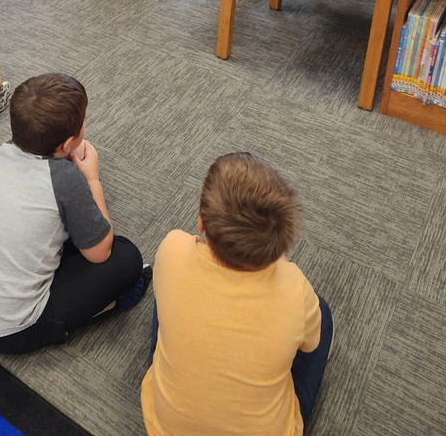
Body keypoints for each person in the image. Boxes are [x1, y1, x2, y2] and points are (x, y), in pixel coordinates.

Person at [0, 73, 149, 353]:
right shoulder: (65, 179)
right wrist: (92, 180)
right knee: (127, 256)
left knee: (60, 230)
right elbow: (101, 253)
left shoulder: (1, 152)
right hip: (13, 331)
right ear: (68, 143)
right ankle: (104, 307)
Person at [141, 152, 333, 436]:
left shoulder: (173, 249)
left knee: (167, 293)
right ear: (280, 247)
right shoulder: (294, 288)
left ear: (201, 223)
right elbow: (309, 345)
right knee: (322, 315)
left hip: (163, 428)